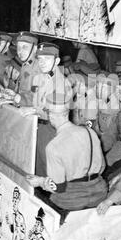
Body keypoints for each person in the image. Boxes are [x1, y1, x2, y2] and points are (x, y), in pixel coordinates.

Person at [26, 92, 107, 211]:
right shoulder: (90, 132)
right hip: (99, 194)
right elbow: (102, 167)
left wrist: (40, 182)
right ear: (67, 113)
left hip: (71, 200)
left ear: (51, 116)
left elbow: (58, 187)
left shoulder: (53, 147)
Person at [29, 43, 72, 177]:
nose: (42, 63)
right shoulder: (38, 78)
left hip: (51, 130)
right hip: (36, 127)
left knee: (50, 169)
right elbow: (32, 99)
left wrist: (33, 110)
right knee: (35, 165)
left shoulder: (62, 83)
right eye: (40, 59)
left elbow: (55, 113)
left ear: (57, 61)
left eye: (47, 59)